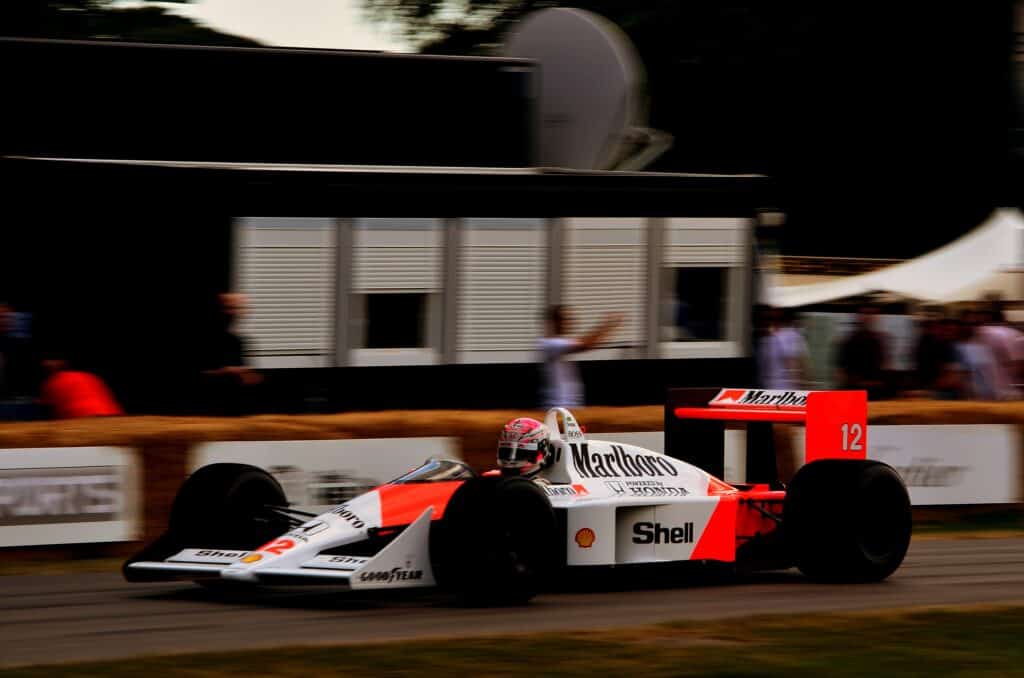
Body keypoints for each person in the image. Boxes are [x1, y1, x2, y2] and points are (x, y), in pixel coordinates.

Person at [539, 306, 623, 409]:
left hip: (566, 407)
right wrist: (607, 325)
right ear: (555, 322)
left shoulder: (555, 343)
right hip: (559, 408)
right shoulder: (551, 344)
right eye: (566, 319)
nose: (570, 323)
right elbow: (585, 345)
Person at [201, 292, 262, 415]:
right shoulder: (205, 339)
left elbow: (248, 377)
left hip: (233, 410)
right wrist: (227, 372)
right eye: (229, 308)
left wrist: (248, 375)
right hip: (207, 410)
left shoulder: (237, 342)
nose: (233, 313)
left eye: (238, 308)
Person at [40, 357, 123, 419]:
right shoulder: (89, 376)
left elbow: (48, 412)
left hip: (86, 421)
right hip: (114, 418)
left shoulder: (50, 383)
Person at [836, 304, 889, 399]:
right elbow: (842, 368)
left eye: (872, 314)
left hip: (874, 391)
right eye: (866, 313)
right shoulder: (851, 340)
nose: (869, 317)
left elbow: (883, 365)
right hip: (856, 390)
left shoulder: (879, 340)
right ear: (859, 316)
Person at [977, 295, 1023, 400]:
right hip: (1010, 393)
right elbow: (1018, 366)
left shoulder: (981, 333)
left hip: (987, 395)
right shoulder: (1015, 334)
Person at [912, 309, 962, 399]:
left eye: (951, 331)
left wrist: (927, 391)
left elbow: (952, 379)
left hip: (942, 394)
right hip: (930, 391)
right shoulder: (926, 342)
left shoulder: (951, 347)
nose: (948, 333)